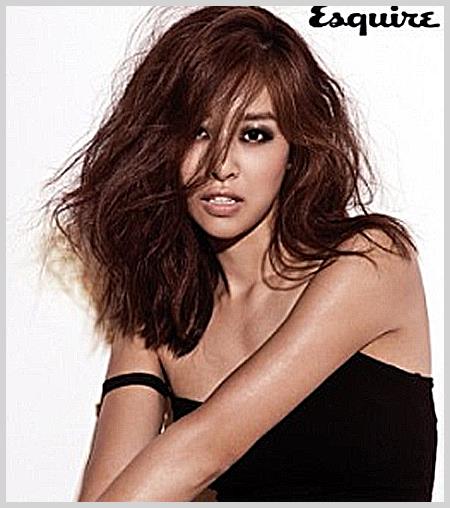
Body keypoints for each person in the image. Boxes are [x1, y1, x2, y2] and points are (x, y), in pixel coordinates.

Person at [41, 6, 437, 502]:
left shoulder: (370, 260)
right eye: (198, 131)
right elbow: (105, 494)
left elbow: (205, 449)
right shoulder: (161, 314)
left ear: (294, 151)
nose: (221, 165)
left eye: (254, 134)